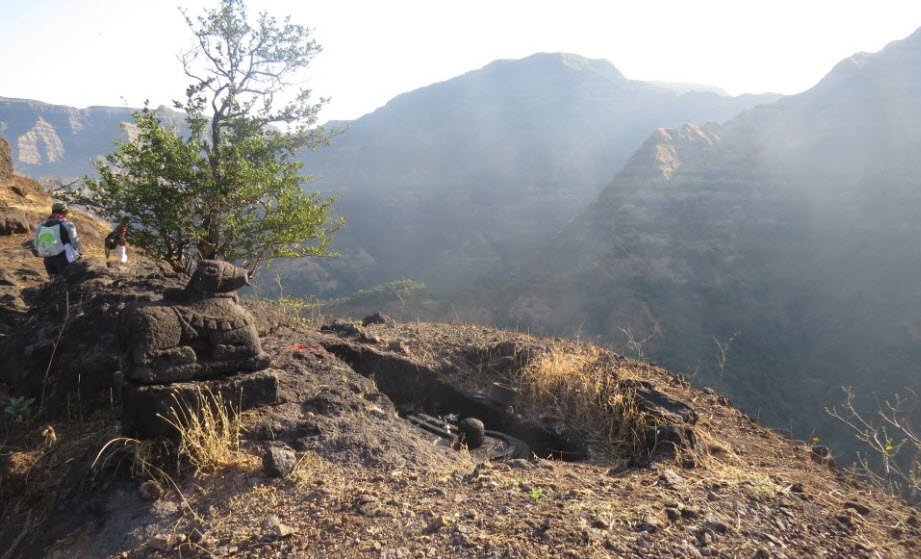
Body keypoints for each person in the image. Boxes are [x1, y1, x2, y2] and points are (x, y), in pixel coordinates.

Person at [34, 201, 81, 277]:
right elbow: (75, 242)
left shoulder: (42, 225)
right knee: (66, 281)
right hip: (64, 258)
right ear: (63, 212)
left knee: (54, 282)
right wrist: (77, 252)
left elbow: (36, 243)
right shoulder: (67, 224)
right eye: (66, 212)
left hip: (48, 259)